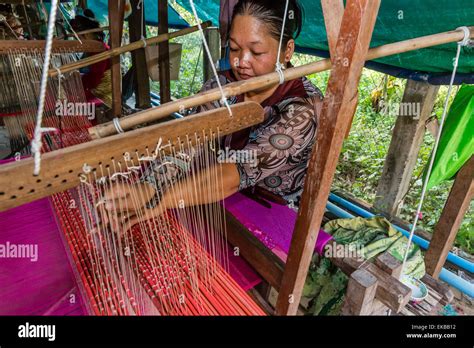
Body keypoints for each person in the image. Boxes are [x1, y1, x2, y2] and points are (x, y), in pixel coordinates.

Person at [103, 0, 323, 228]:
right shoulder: (221, 86)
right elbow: (186, 143)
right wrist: (147, 187)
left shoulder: (303, 107)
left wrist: (162, 200)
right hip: (218, 196)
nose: (241, 62)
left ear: (287, 51)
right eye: (235, 48)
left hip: (274, 214)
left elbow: (235, 171)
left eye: (257, 51)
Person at [70, 9, 113, 108]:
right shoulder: (91, 48)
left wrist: (74, 83)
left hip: (102, 97)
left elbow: (94, 80)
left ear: (87, 34)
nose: (77, 41)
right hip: (92, 90)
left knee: (66, 104)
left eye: (78, 38)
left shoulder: (99, 50)